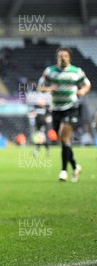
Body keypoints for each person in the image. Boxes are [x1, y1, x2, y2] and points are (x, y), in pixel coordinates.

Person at [38, 47, 91, 182]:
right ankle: (75, 166)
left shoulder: (76, 72)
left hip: (71, 108)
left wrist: (82, 92)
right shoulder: (50, 72)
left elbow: (87, 84)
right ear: (57, 58)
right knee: (63, 141)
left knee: (64, 136)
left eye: (65, 56)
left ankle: (63, 171)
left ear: (69, 58)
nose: (63, 58)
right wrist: (49, 89)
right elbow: (40, 87)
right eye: (60, 56)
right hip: (56, 109)